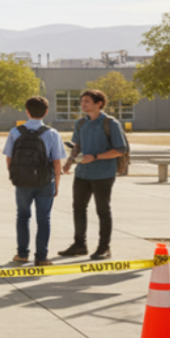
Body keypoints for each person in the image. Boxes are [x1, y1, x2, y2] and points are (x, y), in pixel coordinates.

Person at [59, 89, 128, 260]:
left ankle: (104, 247)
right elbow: (78, 145)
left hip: (103, 174)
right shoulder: (81, 123)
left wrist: (96, 157)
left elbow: (120, 150)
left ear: (99, 104)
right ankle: (79, 245)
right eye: (82, 101)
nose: (83, 104)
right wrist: (70, 160)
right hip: (82, 173)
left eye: (87, 101)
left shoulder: (111, 123)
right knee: (78, 209)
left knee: (103, 211)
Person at [3, 96, 66, 266]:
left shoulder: (15, 132)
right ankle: (41, 257)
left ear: (27, 111)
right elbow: (57, 162)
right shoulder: (52, 133)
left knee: (23, 216)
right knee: (44, 218)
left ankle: (22, 254)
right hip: (45, 181)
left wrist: (16, 176)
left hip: (22, 182)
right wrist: (57, 184)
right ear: (46, 112)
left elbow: (9, 159)